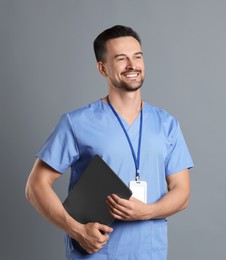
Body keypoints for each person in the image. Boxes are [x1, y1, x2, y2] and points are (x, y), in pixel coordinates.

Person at [25, 25, 193, 259]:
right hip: (97, 252)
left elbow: (182, 192)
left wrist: (147, 211)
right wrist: (77, 230)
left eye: (137, 57)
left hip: (149, 251)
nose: (132, 65)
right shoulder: (76, 122)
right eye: (121, 59)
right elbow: (36, 186)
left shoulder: (166, 124)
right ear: (102, 68)